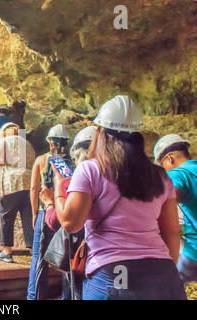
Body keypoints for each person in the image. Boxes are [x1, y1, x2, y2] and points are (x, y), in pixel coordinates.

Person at [46, 95, 186, 300]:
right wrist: (159, 275)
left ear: (101, 133)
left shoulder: (90, 170)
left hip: (113, 272)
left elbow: (70, 222)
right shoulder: (159, 176)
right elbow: (172, 234)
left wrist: (59, 187)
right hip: (161, 270)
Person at [27, 124, 76, 300]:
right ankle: (66, 296)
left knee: (38, 258)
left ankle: (34, 296)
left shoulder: (42, 160)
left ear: (50, 143)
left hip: (46, 211)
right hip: (65, 212)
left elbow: (34, 188)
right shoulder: (72, 162)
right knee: (68, 256)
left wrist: (34, 213)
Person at [154, 134, 197, 283]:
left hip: (193, 254)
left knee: (162, 284)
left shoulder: (177, 173)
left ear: (169, 159)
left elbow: (169, 198)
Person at [0, 122, 35, 262]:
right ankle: (34, 250)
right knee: (28, 217)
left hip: (11, 183)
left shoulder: (3, 142)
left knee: (7, 218)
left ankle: (7, 252)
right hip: (28, 183)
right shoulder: (27, 144)